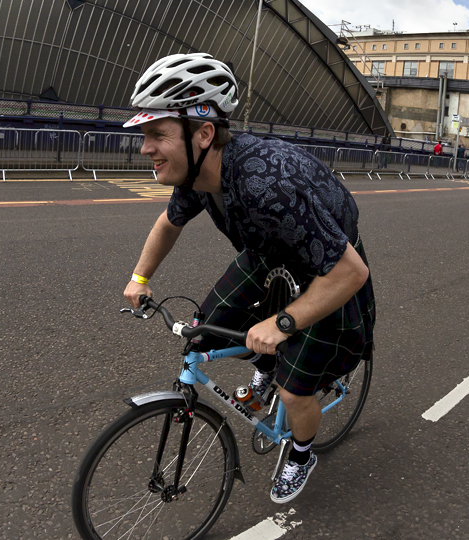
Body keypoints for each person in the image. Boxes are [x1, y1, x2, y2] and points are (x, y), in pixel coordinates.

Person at [123, 53, 376, 505]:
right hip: (269, 252)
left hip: (328, 267)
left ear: (203, 134)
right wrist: (141, 277)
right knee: (210, 326)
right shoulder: (197, 174)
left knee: (294, 388)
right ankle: (264, 368)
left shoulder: (264, 183)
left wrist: (282, 324)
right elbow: (168, 223)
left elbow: (350, 271)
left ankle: (301, 452)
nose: (146, 148)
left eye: (157, 134)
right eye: (145, 135)